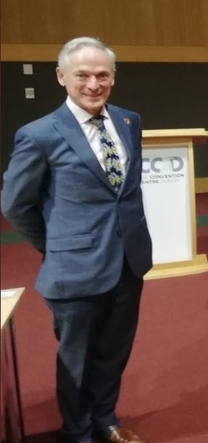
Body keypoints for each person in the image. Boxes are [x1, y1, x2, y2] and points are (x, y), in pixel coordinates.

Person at [1, 37, 152, 443]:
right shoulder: (39, 135)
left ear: (114, 78)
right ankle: (78, 432)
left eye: (102, 75)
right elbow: (15, 204)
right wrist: (54, 245)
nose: (93, 83)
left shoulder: (128, 121)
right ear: (61, 77)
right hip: (74, 267)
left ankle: (105, 420)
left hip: (129, 261)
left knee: (113, 352)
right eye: (82, 75)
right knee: (77, 359)